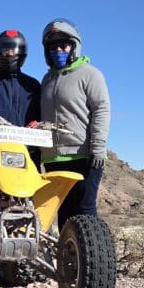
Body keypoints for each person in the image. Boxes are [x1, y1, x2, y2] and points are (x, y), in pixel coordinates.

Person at [38, 18, 111, 231]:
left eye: (63, 45)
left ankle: (93, 262)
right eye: (53, 47)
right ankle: (67, 261)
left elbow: (101, 110)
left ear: (74, 46)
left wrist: (97, 149)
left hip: (83, 155)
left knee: (85, 210)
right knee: (63, 212)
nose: (58, 50)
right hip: (53, 158)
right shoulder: (47, 79)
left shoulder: (90, 74)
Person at [0, 30, 41, 127]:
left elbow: (41, 115)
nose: (9, 54)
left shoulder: (32, 85)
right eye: (5, 50)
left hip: (26, 140)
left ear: (21, 52)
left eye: (13, 50)